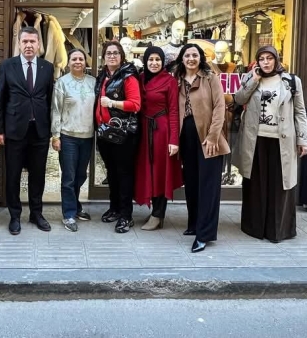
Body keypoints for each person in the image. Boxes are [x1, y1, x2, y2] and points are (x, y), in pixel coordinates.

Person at [234, 46, 307, 244]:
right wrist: (254, 80)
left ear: (276, 60)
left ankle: (278, 229)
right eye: (262, 59)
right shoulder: (250, 78)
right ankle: (254, 227)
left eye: (269, 58)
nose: (266, 62)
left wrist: (303, 139)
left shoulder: (291, 81)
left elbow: (300, 111)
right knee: (255, 184)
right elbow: (239, 99)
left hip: (282, 140)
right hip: (255, 140)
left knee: (280, 185)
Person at [0, 27, 55, 235]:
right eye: (25, 41)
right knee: (13, 175)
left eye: (32, 41)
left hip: (40, 131)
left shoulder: (47, 67)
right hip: (14, 130)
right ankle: (14, 216)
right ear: (19, 44)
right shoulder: (7, 66)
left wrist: (51, 129)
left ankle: (36, 214)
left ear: (38, 44)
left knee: (38, 175)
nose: (29, 45)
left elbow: (49, 99)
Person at [174, 44, 230, 253]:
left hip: (208, 137)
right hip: (186, 137)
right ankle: (194, 223)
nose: (191, 58)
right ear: (182, 59)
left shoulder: (210, 78)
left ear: (200, 58)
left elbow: (220, 107)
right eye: (187, 55)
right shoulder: (177, 80)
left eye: (194, 55)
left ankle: (204, 234)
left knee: (208, 186)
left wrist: (213, 136)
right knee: (192, 183)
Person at [94, 40, 141, 234]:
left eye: (115, 53)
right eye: (108, 53)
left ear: (121, 56)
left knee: (123, 174)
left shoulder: (128, 77)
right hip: (105, 133)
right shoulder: (103, 75)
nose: (112, 56)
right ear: (104, 57)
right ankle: (114, 208)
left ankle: (126, 215)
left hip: (123, 135)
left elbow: (135, 104)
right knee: (111, 173)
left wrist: (112, 103)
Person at [133, 46, 181, 231]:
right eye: (151, 59)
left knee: (160, 172)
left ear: (163, 62)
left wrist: (174, 140)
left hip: (162, 131)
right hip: (144, 130)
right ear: (145, 61)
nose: (154, 63)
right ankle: (154, 211)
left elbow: (174, 111)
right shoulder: (140, 78)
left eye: (157, 60)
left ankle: (158, 214)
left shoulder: (170, 81)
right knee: (148, 171)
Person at [50, 48, 95, 232]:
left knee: (81, 175)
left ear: (85, 62)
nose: (78, 62)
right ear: (68, 63)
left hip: (88, 136)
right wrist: (55, 135)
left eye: (81, 59)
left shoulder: (93, 82)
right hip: (68, 136)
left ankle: (75, 206)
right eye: (74, 59)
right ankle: (68, 214)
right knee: (69, 177)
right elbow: (56, 110)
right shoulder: (62, 83)